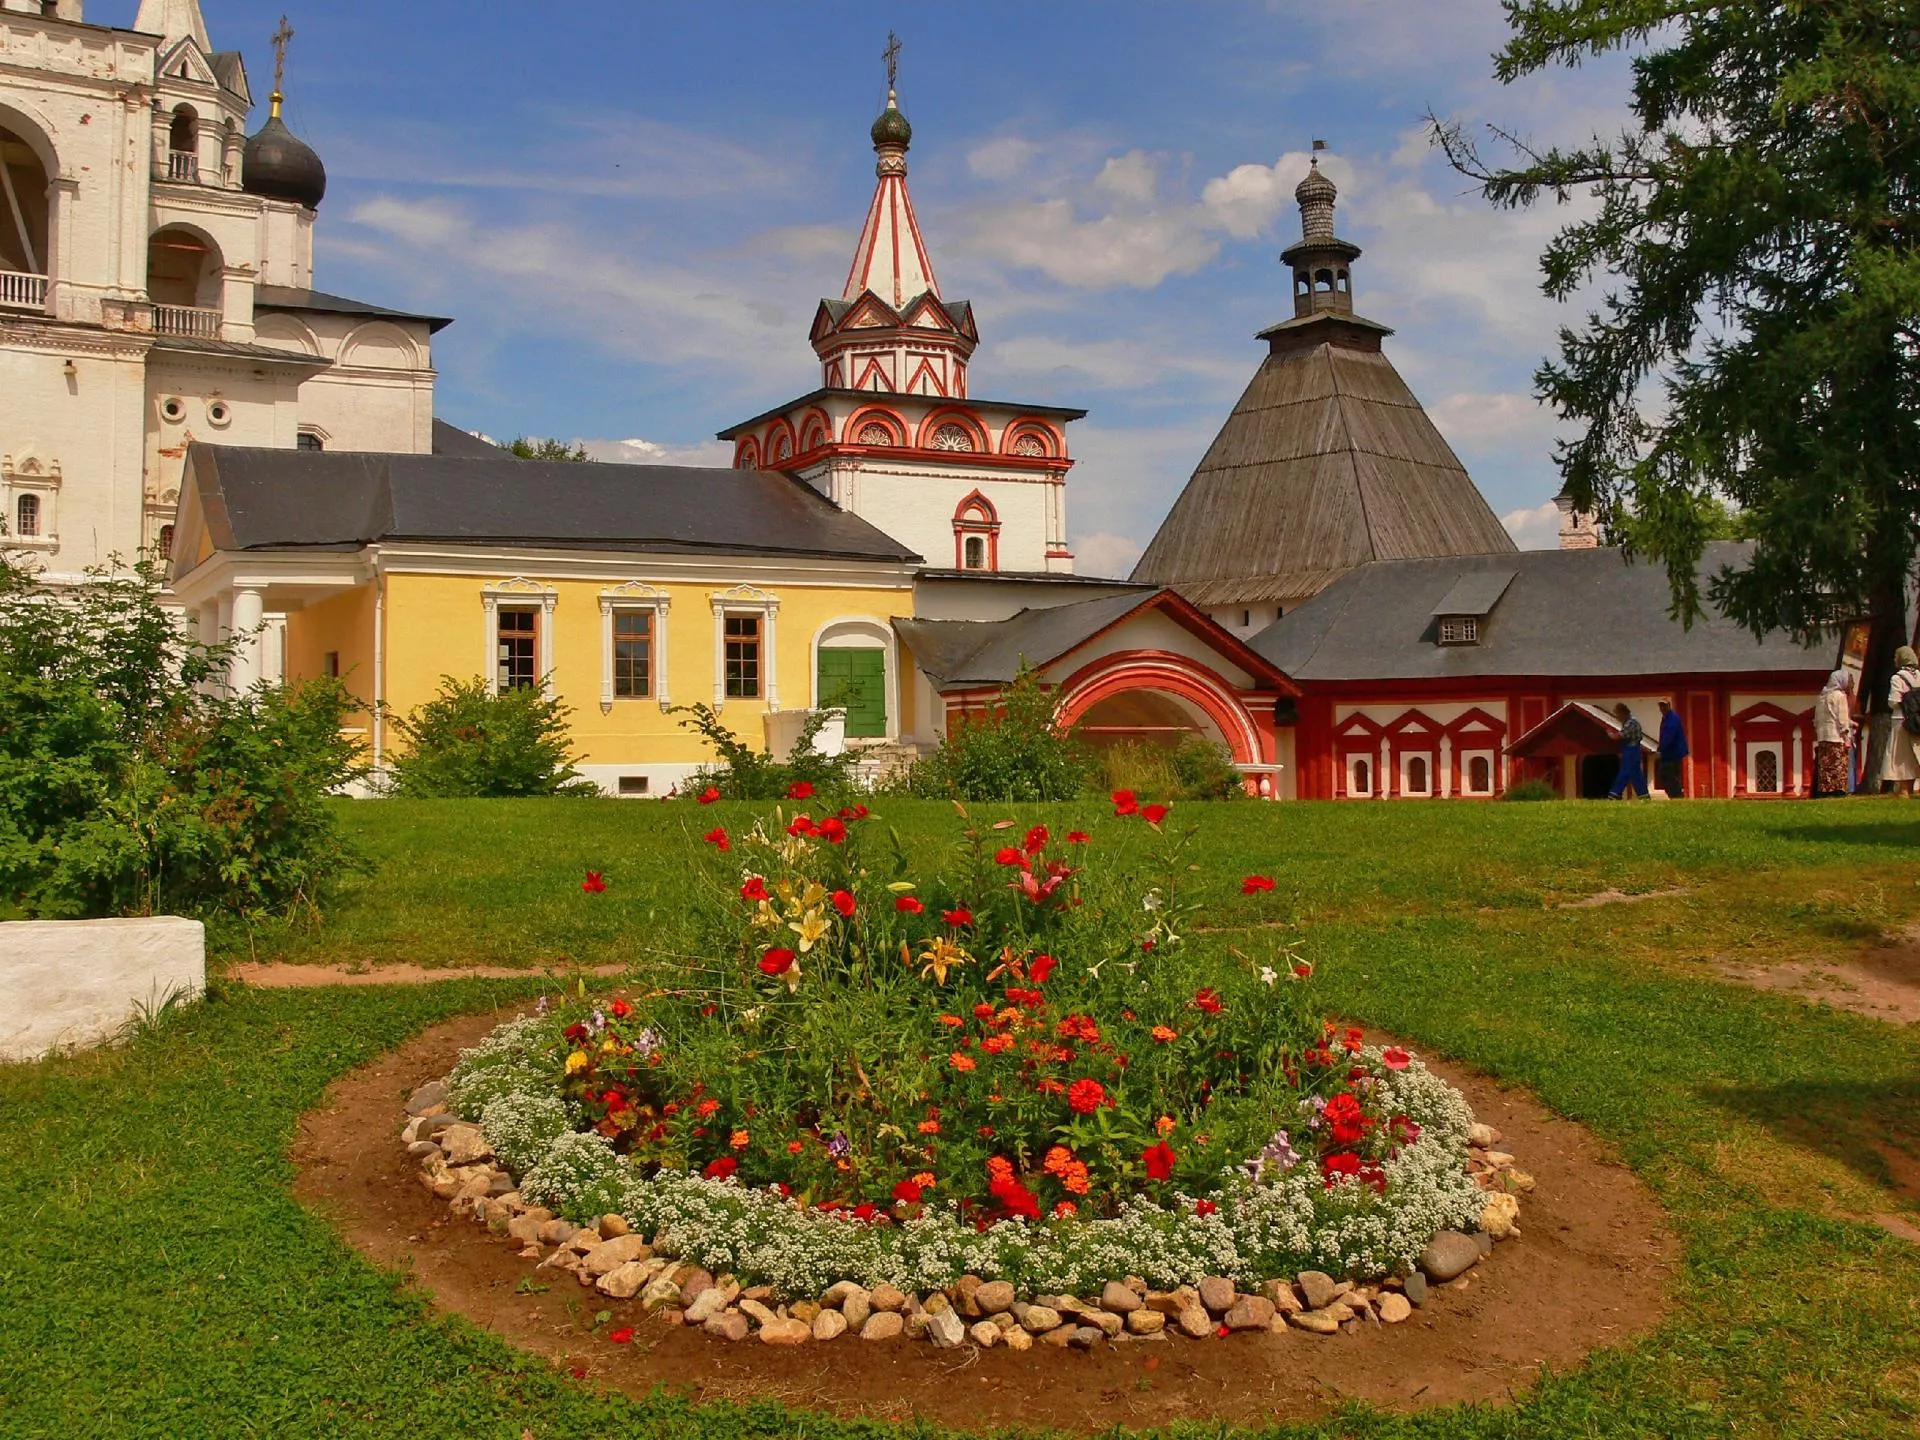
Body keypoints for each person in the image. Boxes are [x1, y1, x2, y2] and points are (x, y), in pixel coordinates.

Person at [1813, 670, 1855, 798]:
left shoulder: (1822, 697)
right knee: (1838, 764)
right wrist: (1846, 736)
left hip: (1823, 737)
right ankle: (1838, 790)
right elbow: (1842, 718)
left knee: (1825, 765)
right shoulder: (1839, 696)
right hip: (1836, 736)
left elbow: (1817, 720)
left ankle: (1826, 790)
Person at [1890, 646, 1920, 797]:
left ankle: (1904, 790)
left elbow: (1894, 701)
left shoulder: (1897, 678)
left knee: (1902, 756)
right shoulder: (1919, 675)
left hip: (1901, 719)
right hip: (1917, 719)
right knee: (1917, 754)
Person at [1608, 702, 1648, 799]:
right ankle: (1643, 795)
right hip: (1630, 751)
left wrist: (1610, 734)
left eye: (1617, 714)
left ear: (1622, 712)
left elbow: (1620, 736)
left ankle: (1614, 794)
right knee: (1635, 774)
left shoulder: (1631, 722)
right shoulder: (1627, 722)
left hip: (1632, 751)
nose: (1617, 717)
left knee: (1625, 772)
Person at [1656, 699, 1688, 797]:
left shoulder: (1673, 718)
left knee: (1668, 776)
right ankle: (1675, 795)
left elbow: (1669, 736)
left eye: (1664, 705)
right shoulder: (1666, 718)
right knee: (1667, 776)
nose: (1662, 708)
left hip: (1673, 753)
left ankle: (1677, 796)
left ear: (1669, 706)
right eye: (1661, 706)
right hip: (1669, 753)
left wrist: (1661, 749)